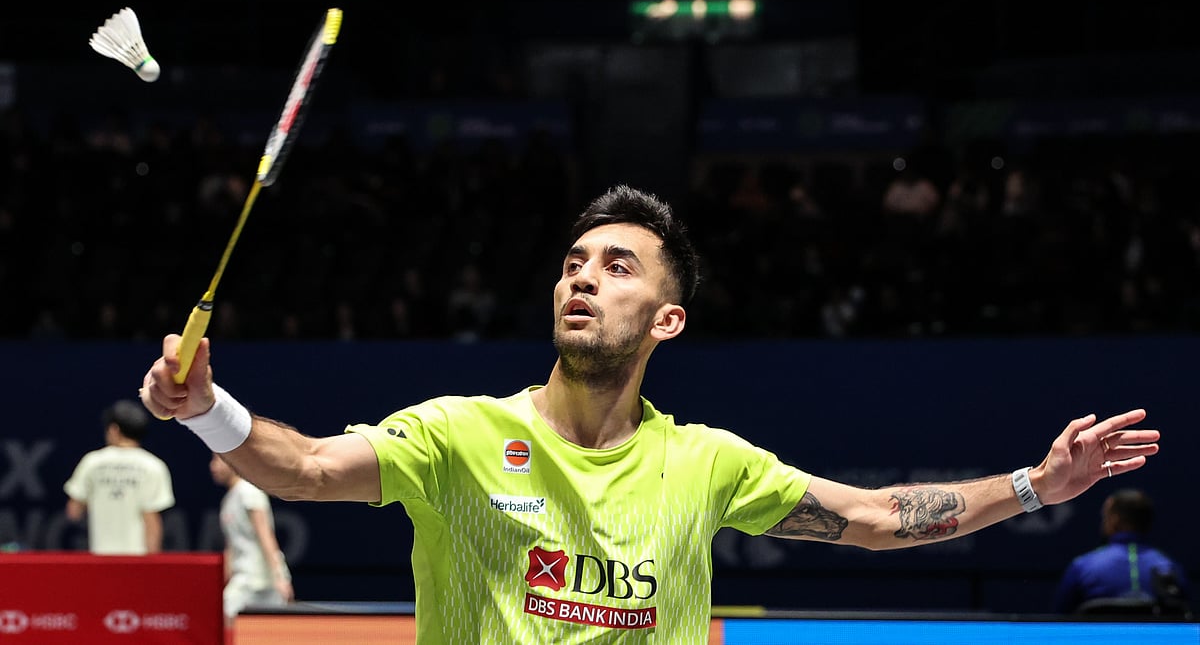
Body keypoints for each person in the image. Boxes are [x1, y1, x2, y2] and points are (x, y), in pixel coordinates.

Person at [139, 185, 1160, 643]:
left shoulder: (706, 462)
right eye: (574, 263)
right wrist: (206, 410)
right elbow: (308, 466)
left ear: (667, 317)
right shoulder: (455, 433)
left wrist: (1040, 485)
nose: (582, 279)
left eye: (617, 266)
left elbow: (881, 518)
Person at [64, 399, 175, 554]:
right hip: (138, 560)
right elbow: (151, 520)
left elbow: (73, 511)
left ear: (114, 430)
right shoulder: (153, 466)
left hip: (101, 557)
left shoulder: (92, 462)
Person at [1055, 488, 1191, 615]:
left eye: (1105, 516)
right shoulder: (1170, 567)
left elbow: (1060, 621)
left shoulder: (1082, 567)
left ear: (1114, 520)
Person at [209, 452, 294, 627]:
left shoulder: (249, 491)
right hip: (245, 576)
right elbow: (231, 547)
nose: (212, 466)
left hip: (260, 578)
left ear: (233, 461)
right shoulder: (230, 498)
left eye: (217, 459)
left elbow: (266, 535)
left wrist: (281, 577)